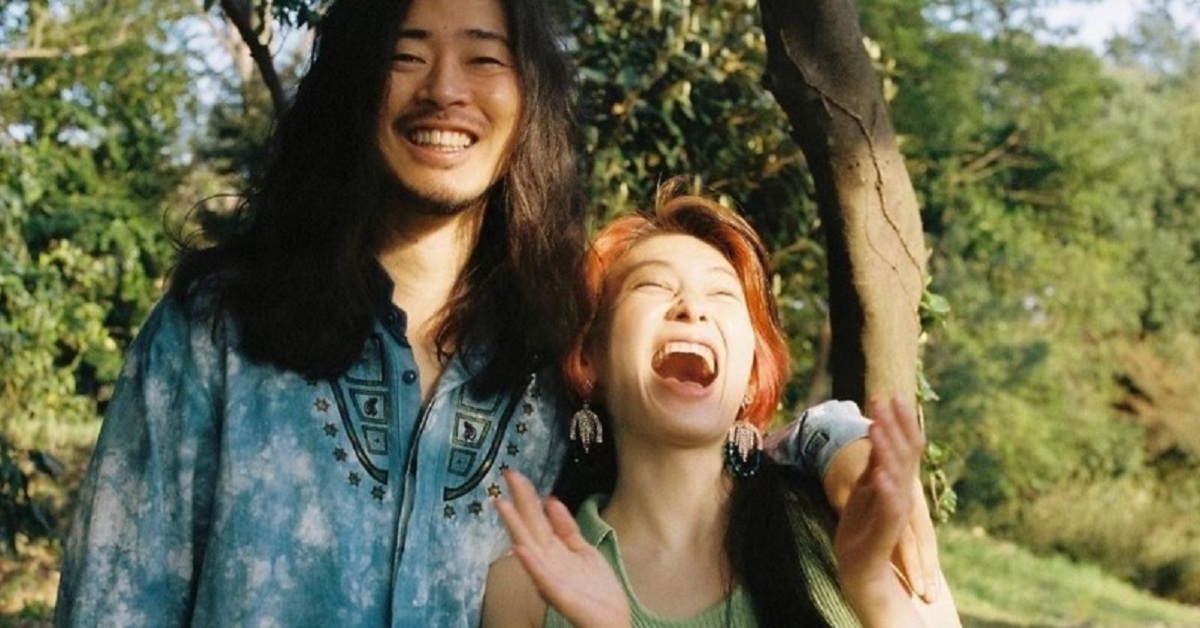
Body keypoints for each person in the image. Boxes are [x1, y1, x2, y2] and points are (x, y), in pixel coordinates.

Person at [54, 1, 937, 625]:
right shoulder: (219, 328)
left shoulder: (549, 351)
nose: (446, 88)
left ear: (529, 101)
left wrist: (836, 439)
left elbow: (697, 441)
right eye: (406, 53)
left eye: (484, 57)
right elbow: (114, 600)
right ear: (356, 82)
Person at [482, 187, 962, 627]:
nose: (692, 308)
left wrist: (873, 589)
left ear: (752, 375)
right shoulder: (525, 588)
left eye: (721, 294)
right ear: (589, 357)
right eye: (653, 286)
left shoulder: (852, 517)